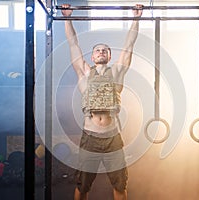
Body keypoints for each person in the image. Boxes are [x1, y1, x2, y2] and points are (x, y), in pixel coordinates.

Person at [61, 4, 143, 200]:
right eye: (97, 50)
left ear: (109, 56)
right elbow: (73, 44)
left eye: (105, 50)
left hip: (113, 139)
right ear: (92, 56)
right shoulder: (84, 72)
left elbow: (129, 46)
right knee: (83, 187)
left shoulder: (116, 73)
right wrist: (67, 18)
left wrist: (136, 19)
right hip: (90, 138)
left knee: (120, 185)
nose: (101, 52)